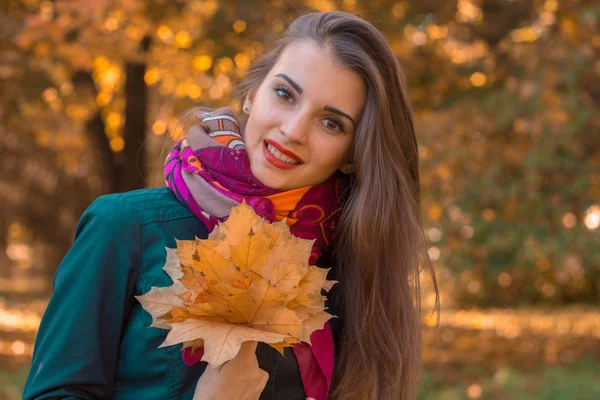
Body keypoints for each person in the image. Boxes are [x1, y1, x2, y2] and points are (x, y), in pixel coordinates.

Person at [23, 10, 438, 400]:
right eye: (284, 94)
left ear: (353, 151)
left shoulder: (349, 266)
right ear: (252, 94)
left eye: (331, 122)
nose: (293, 130)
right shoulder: (123, 227)